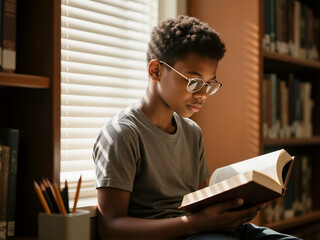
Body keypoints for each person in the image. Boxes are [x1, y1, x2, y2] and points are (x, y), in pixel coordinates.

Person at [93, 15, 300, 239]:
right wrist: (197, 224)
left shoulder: (192, 131)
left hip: (201, 228)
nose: (202, 95)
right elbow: (110, 228)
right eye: (194, 82)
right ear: (156, 71)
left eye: (210, 84)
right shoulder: (122, 134)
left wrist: (235, 208)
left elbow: (201, 200)